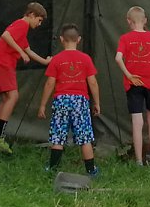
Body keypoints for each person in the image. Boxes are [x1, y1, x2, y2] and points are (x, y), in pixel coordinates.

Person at [38, 25, 102, 176]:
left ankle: (52, 168)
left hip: (61, 100)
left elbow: (49, 83)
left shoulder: (56, 60)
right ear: (78, 40)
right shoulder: (85, 59)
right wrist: (97, 102)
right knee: (84, 135)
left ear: (61, 39)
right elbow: (92, 82)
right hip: (80, 101)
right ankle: (91, 170)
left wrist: (42, 105)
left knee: (58, 135)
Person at [0, 2, 49, 153]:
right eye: (39, 20)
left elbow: (28, 50)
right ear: (31, 15)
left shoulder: (22, 31)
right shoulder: (22, 24)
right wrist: (20, 53)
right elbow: (6, 35)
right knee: (13, 96)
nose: (39, 24)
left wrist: (45, 61)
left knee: (7, 99)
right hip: (3, 63)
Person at [115, 5, 150, 165]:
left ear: (129, 21)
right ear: (145, 21)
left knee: (137, 122)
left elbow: (118, 58)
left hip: (133, 84)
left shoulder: (125, 38)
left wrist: (129, 74)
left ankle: (138, 160)